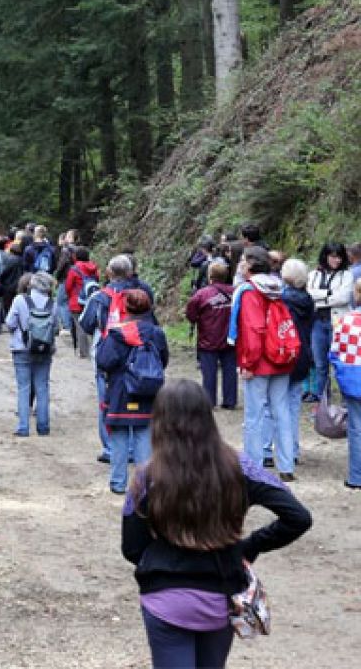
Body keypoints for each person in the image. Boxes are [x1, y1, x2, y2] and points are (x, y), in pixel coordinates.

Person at [122, 381, 312, 669]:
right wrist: (249, 546)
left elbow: (132, 548)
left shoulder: (146, 477)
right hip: (220, 596)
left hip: (165, 599)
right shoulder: (239, 466)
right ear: (208, 419)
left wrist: (165, 556)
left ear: (159, 422)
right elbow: (298, 516)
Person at [232, 246, 300, 481]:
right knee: (281, 411)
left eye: (243, 260)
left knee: (254, 415)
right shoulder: (277, 287)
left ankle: (253, 466)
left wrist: (247, 363)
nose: (240, 264)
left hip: (259, 360)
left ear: (251, 265)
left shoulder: (250, 292)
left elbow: (253, 329)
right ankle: (286, 464)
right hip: (281, 357)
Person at [98, 288, 166, 495]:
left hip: (120, 391)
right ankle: (144, 486)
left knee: (118, 437)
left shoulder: (116, 334)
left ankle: (118, 482)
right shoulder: (156, 333)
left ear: (125, 308)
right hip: (148, 391)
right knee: (144, 435)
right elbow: (163, 361)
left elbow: (103, 361)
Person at [79, 254, 139, 464]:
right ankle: (132, 447)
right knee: (133, 399)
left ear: (109, 273)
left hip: (106, 354)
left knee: (106, 402)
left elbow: (85, 324)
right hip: (134, 353)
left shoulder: (99, 297)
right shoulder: (139, 294)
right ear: (130, 272)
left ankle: (110, 448)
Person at [5, 271, 58, 438]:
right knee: (42, 387)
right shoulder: (52, 304)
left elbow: (10, 322)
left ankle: (23, 427)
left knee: (23, 388)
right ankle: (43, 427)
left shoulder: (20, 300)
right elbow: (56, 328)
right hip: (45, 350)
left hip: (21, 348)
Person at [185, 260, 237, 409]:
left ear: (210, 276)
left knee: (209, 372)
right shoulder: (234, 291)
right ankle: (230, 400)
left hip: (208, 339)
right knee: (229, 370)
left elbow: (191, 315)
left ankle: (209, 401)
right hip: (229, 337)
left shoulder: (201, 294)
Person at [306, 242, 353, 400]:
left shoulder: (347, 275)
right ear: (326, 256)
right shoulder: (314, 274)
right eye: (333, 256)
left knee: (340, 363)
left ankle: (346, 401)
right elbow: (308, 294)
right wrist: (329, 293)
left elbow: (343, 298)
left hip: (337, 323)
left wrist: (320, 298)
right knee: (320, 364)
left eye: (339, 256)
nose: (336, 260)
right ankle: (323, 403)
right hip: (317, 322)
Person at [279, 258, 314, 467]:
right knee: (293, 405)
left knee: (275, 404)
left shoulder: (282, 299)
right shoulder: (308, 300)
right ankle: (292, 449)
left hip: (285, 353)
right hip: (303, 354)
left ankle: (274, 449)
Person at [330, 278, 361, 489]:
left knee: (356, 428)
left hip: (354, 379)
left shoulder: (346, 320)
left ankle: (356, 476)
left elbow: (335, 352)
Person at [65, 247, 99, 358]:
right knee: (91, 325)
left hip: (76, 301)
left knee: (80, 327)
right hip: (91, 300)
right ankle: (94, 348)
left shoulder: (74, 269)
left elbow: (68, 286)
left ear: (76, 256)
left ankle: (84, 352)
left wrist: (70, 296)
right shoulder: (94, 268)